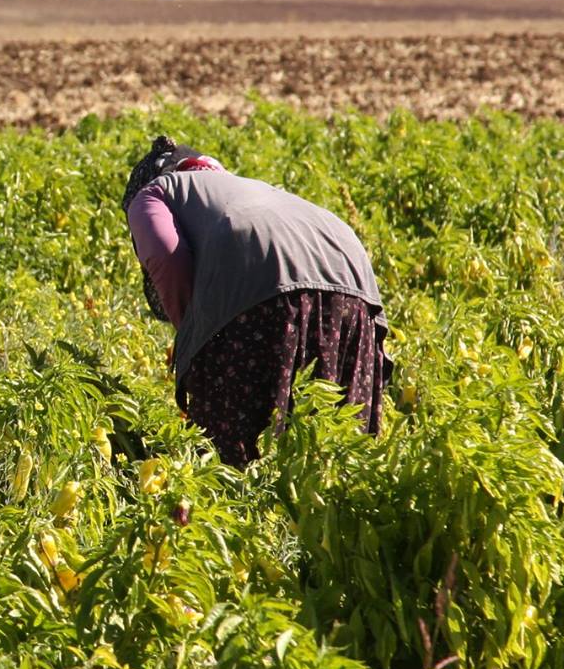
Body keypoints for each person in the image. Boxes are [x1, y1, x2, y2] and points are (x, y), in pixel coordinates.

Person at [122, 135, 391, 466]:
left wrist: (192, 334)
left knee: (235, 461)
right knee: (334, 448)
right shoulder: (245, 188)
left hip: (262, 278)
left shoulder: (152, 194)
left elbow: (168, 258)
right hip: (352, 279)